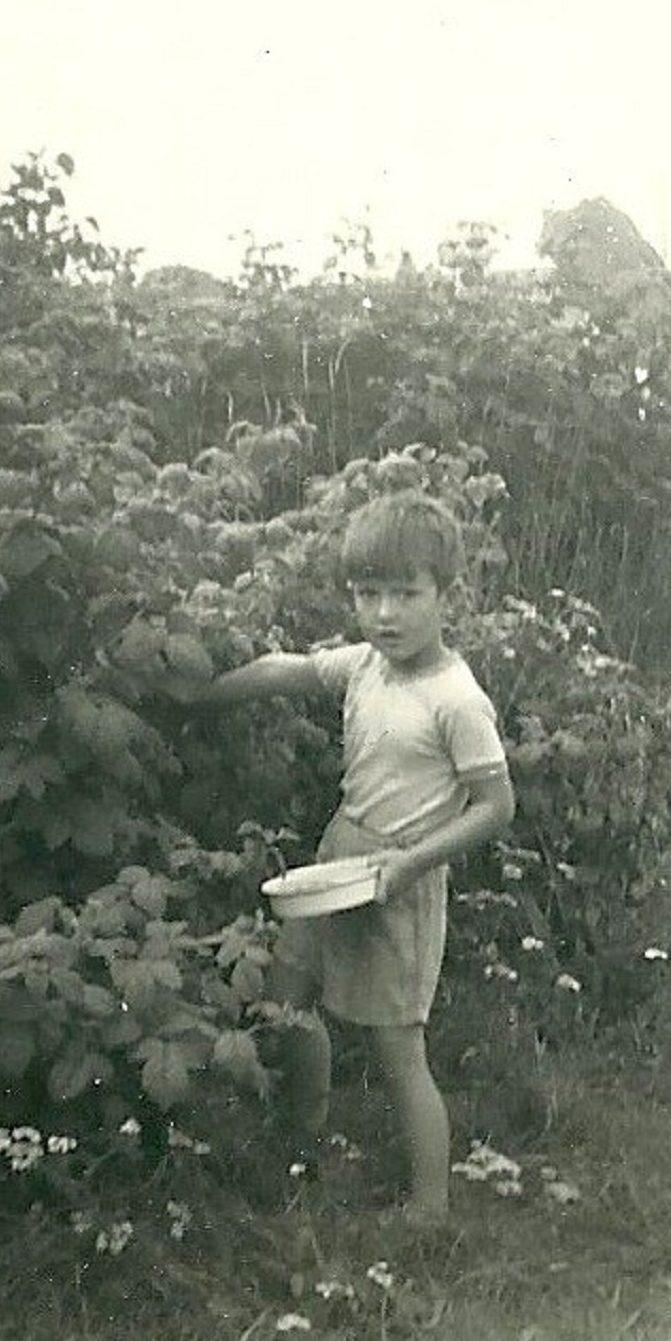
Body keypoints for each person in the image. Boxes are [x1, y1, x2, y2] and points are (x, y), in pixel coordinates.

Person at [184, 491, 514, 1224]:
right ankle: (303, 1138)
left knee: (397, 1047)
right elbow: (282, 669)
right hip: (340, 859)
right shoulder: (366, 665)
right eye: (369, 594)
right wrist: (193, 697)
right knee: (286, 999)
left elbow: (496, 808)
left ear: (445, 595)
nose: (386, 613)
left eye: (406, 594)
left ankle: (429, 1206)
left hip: (403, 877)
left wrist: (414, 863)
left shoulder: (456, 699)